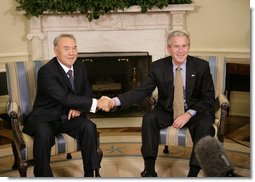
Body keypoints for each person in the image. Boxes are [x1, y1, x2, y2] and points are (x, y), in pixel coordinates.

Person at [104, 30, 215, 177]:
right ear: (169, 48)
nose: (181, 51)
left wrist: (188, 114)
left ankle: (193, 174)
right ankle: (149, 170)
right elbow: (142, 91)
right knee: (149, 119)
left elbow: (208, 98)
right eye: (176, 46)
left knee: (205, 124)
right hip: (167, 110)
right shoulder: (158, 66)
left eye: (184, 46)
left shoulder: (201, 66)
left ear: (189, 47)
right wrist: (114, 101)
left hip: (194, 111)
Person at [22, 33, 109, 177]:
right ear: (56, 51)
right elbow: (64, 98)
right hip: (46, 116)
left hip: (69, 116)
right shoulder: (46, 72)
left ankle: (91, 173)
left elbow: (87, 91)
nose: (72, 53)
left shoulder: (80, 66)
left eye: (74, 48)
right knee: (43, 135)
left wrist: (78, 107)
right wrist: (97, 103)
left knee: (89, 127)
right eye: (67, 49)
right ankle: (43, 176)